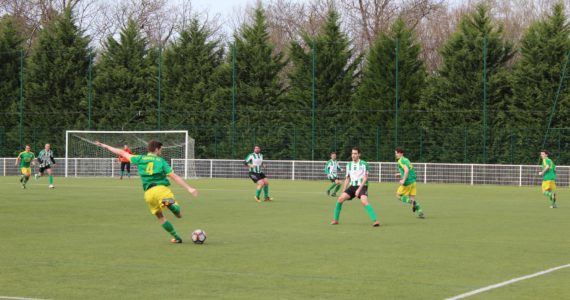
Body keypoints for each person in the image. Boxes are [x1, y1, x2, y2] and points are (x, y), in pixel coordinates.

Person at [96, 140, 199, 243]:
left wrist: (105, 145)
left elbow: (122, 153)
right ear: (156, 149)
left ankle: (176, 237)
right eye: (160, 150)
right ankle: (169, 204)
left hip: (149, 194)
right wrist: (189, 188)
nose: (161, 152)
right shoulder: (161, 161)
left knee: (160, 217)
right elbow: (174, 177)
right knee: (178, 214)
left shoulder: (140, 158)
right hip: (161, 190)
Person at [331, 147, 380, 227]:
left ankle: (375, 221)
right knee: (340, 199)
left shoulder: (364, 164)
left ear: (359, 154)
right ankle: (335, 220)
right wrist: (344, 190)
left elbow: (365, 178)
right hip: (352, 187)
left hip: (362, 186)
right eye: (352, 153)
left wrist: (359, 190)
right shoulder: (349, 165)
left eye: (355, 153)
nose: (353, 155)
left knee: (364, 201)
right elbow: (347, 178)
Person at [394, 148, 425, 218]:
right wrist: (399, 174)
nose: (395, 155)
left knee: (398, 196)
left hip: (407, 182)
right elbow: (410, 170)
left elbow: (406, 170)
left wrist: (403, 180)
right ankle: (420, 213)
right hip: (413, 182)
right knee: (412, 198)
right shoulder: (406, 159)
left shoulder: (400, 161)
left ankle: (411, 202)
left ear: (400, 153)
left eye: (396, 153)